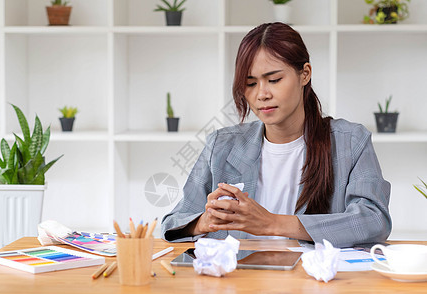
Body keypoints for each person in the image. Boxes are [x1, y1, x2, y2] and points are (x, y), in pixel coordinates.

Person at [161, 22, 391, 248]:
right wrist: (204, 222)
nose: (262, 94)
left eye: (274, 80)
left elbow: (374, 220)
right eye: (250, 83)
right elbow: (173, 222)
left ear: (305, 74)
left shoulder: (350, 141)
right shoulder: (221, 145)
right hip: (241, 281)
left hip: (315, 281)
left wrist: (273, 223)